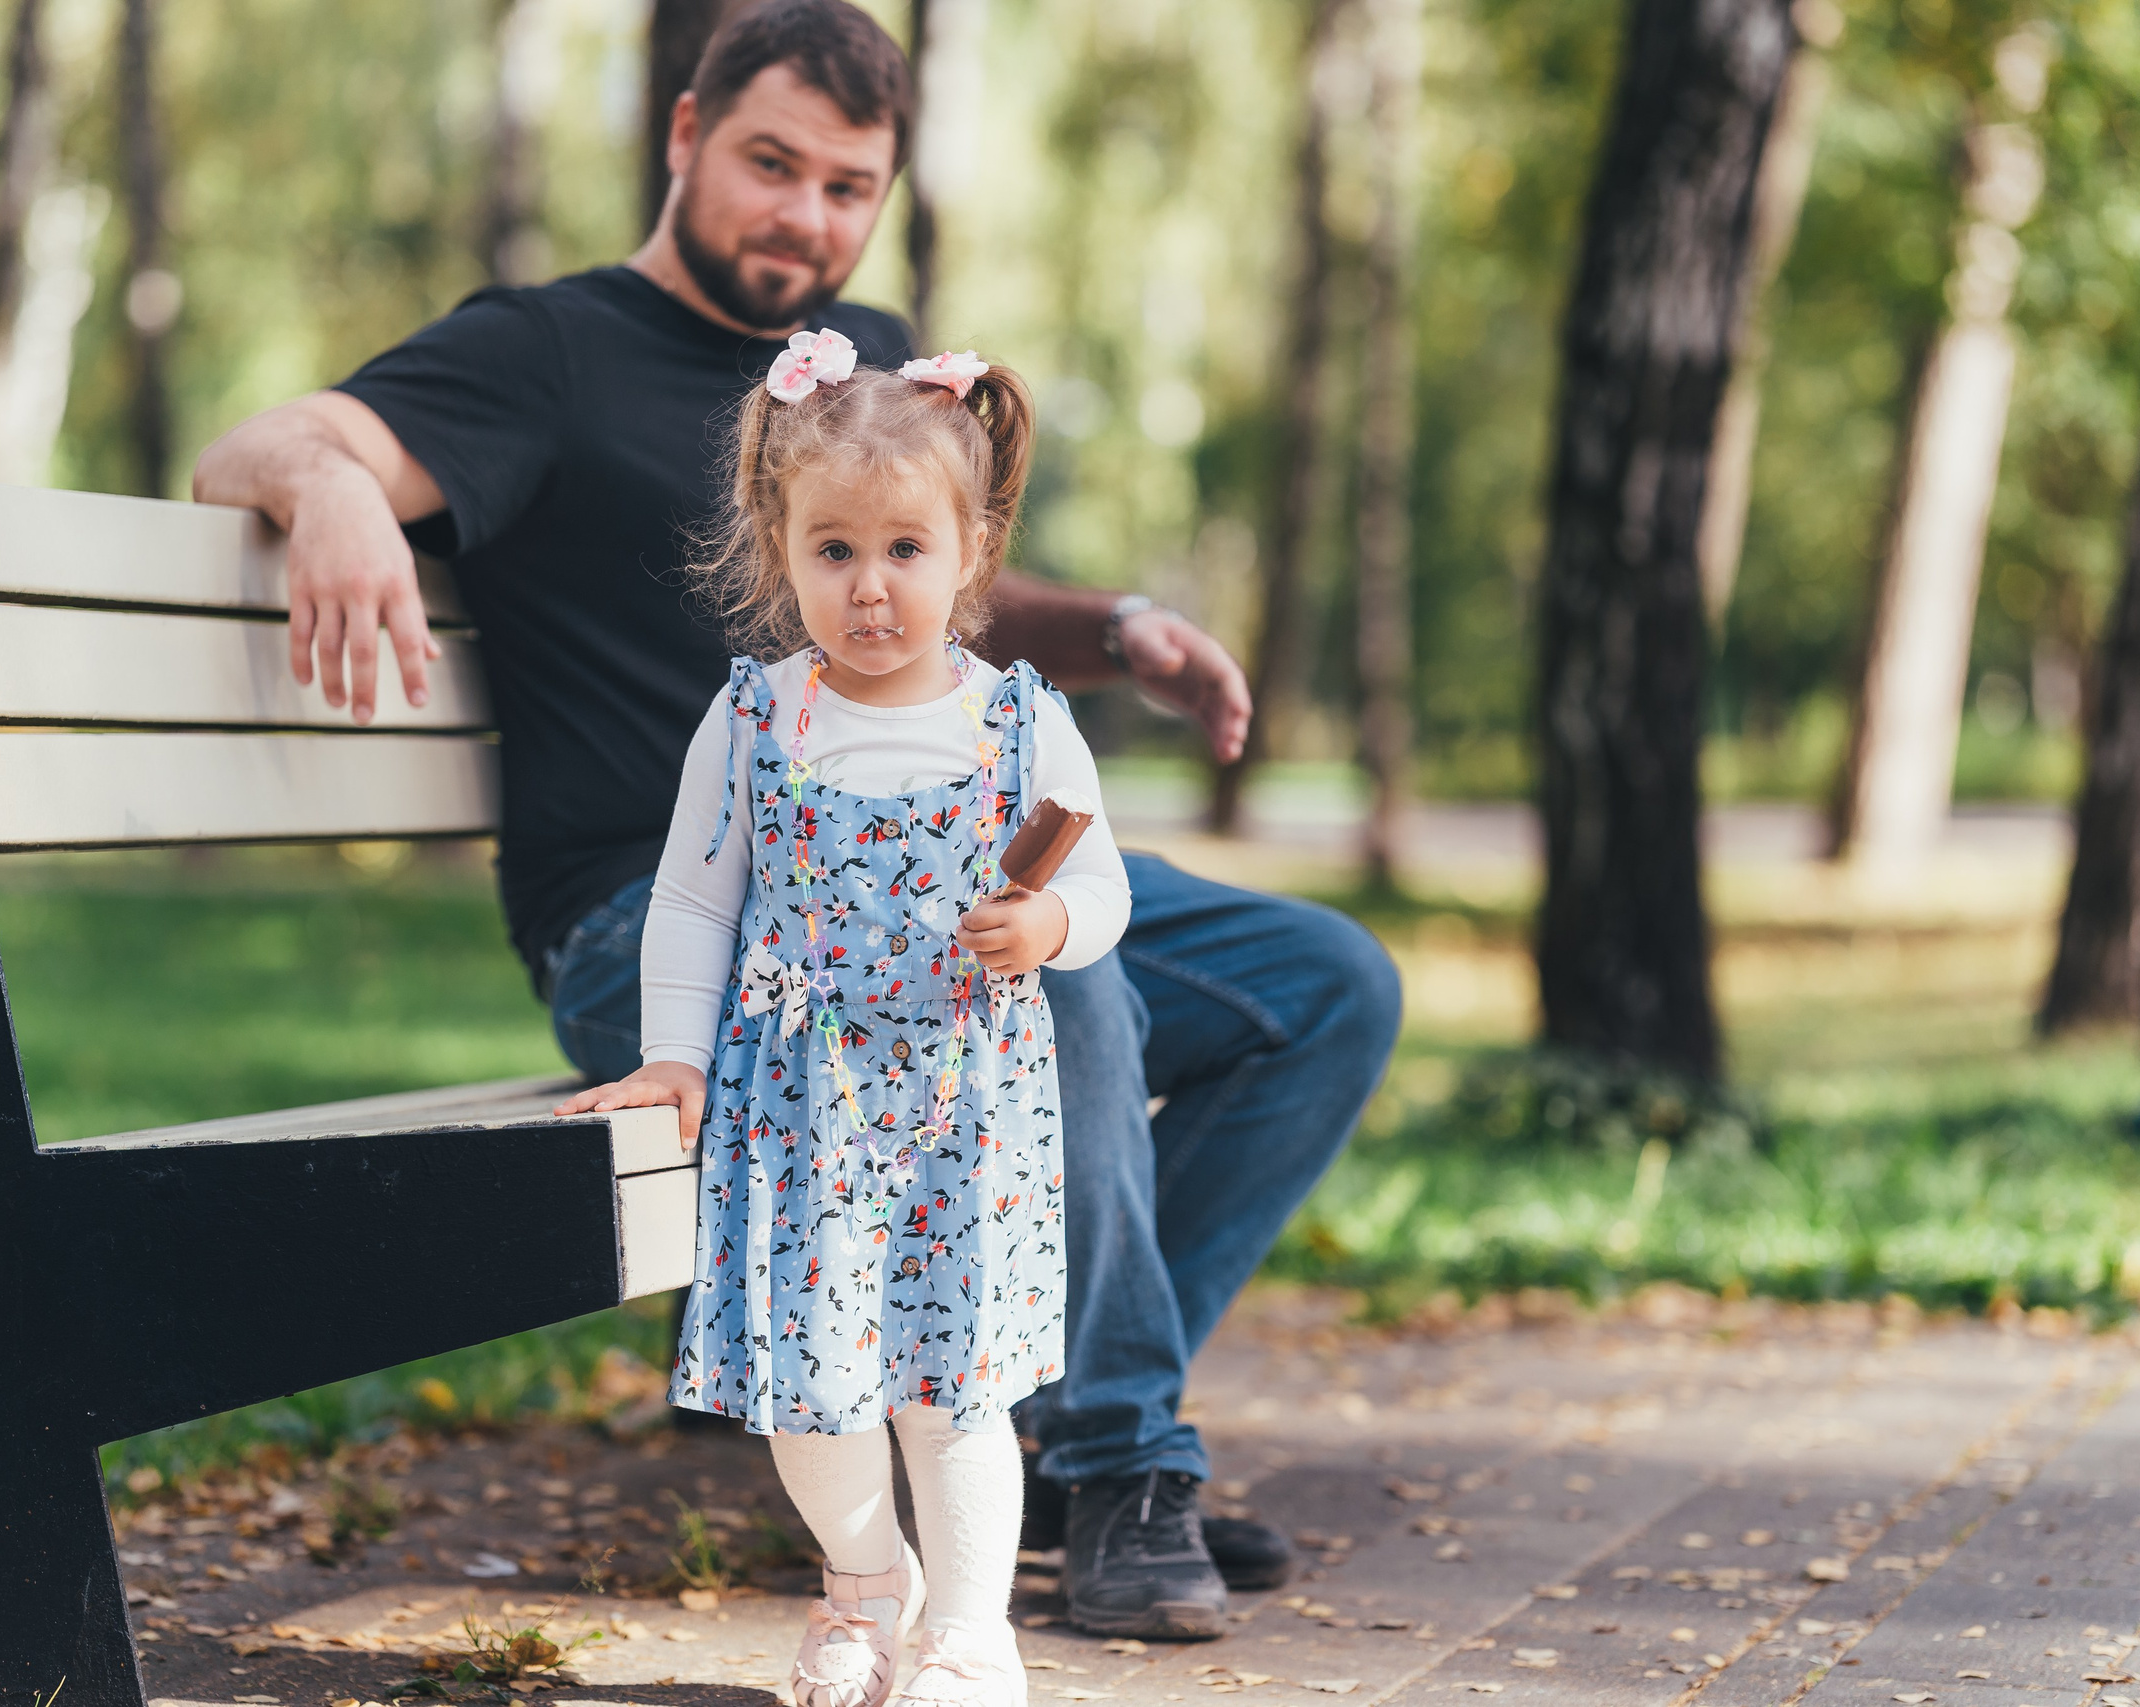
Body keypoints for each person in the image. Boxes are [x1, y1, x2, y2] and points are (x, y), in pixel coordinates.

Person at [191, 0, 1401, 1640]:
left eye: (849, 187)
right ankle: (1117, 1458)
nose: (808, 218)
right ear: (685, 137)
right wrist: (335, 486)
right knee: (1054, 984)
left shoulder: (861, 348)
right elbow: (252, 447)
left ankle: (1032, 1405)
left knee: (1327, 982)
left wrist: (1115, 634)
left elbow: (936, 562)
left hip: (938, 853)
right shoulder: (549, 347)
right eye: (772, 165)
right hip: (658, 909)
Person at [557, 342, 1111, 1707]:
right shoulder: (757, 720)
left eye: (908, 548)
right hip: (802, 1108)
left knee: (957, 1385)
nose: (873, 586)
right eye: (837, 549)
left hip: (965, 1112)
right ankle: (867, 1587)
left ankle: (974, 1635)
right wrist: (676, 1055)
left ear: (972, 554)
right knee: (817, 1386)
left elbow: (1097, 887)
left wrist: (1044, 927)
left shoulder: (1017, 722)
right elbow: (692, 905)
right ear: (782, 549)